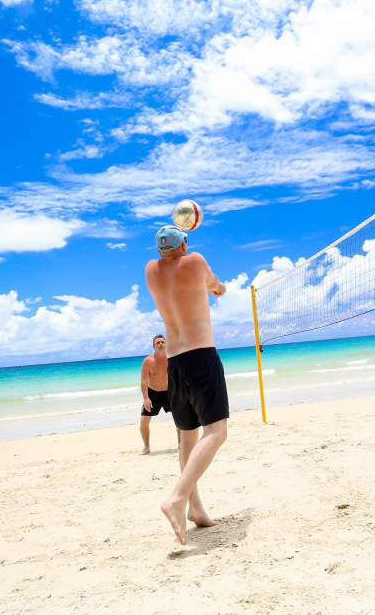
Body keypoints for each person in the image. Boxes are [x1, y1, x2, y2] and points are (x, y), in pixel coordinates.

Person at [145, 225, 228, 544]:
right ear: (185, 244)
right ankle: (178, 498)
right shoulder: (195, 261)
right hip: (200, 357)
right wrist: (220, 288)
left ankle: (195, 508)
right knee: (217, 432)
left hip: (174, 363)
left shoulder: (151, 270)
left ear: (159, 250)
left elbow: (169, 264)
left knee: (187, 438)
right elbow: (216, 286)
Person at [139, 334, 178, 454]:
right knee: (144, 421)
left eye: (162, 342)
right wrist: (146, 398)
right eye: (158, 343)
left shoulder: (172, 358)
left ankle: (181, 443)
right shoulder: (148, 361)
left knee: (180, 418)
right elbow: (144, 381)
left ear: (166, 344)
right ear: (153, 346)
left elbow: (178, 376)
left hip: (169, 392)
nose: (160, 344)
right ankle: (146, 446)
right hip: (153, 394)